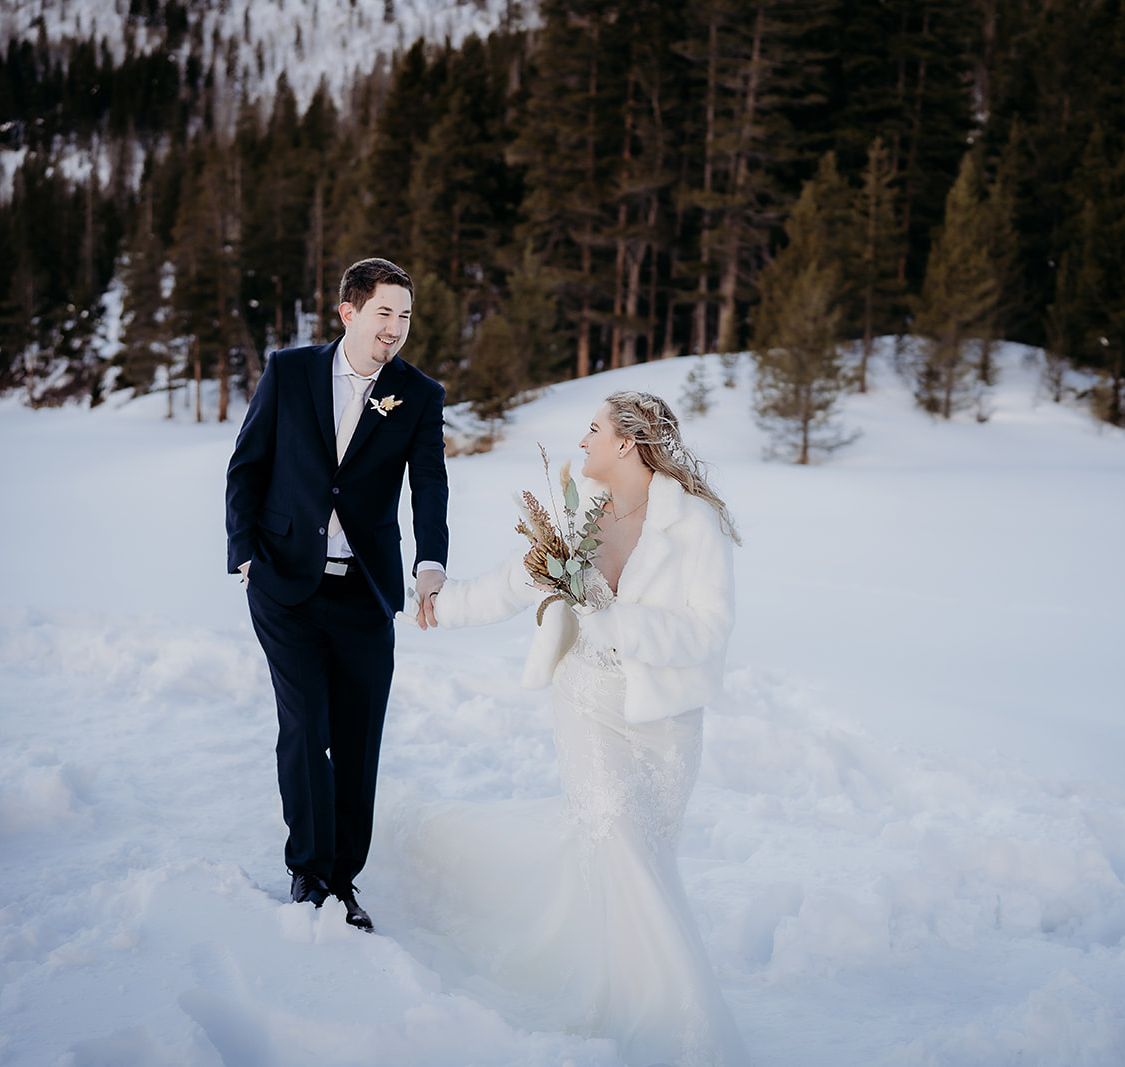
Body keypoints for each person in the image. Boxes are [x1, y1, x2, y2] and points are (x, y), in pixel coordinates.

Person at [412, 390, 750, 1067]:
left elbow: (709, 630)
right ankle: (667, 1026)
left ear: (626, 442)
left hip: (665, 722)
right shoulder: (575, 518)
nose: (581, 440)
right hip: (587, 702)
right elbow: (511, 585)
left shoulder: (694, 525)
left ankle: (605, 988)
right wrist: (437, 608)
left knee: (638, 860)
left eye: (592, 429)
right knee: (616, 835)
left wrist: (621, 625)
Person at [225, 257, 449, 932]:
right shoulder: (290, 371)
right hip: (283, 581)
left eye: (405, 316)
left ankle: (344, 876)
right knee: (305, 729)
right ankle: (309, 873)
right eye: (385, 312)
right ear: (349, 312)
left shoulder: (417, 392)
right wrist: (243, 555)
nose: (396, 328)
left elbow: (430, 484)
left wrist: (431, 562)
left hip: (366, 592)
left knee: (357, 740)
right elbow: (248, 462)